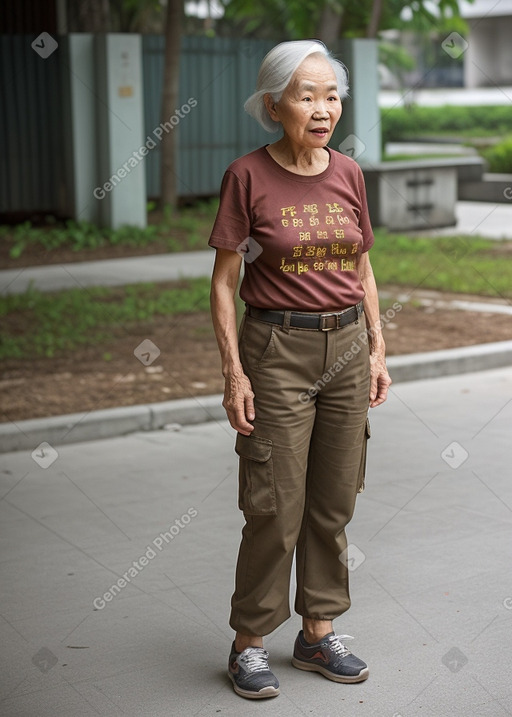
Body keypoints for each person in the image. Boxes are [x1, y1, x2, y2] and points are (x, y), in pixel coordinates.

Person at [209, 39, 391, 700]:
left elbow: (362, 267)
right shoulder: (247, 177)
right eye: (306, 95)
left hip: (344, 347)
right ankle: (249, 641)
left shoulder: (347, 173)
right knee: (273, 504)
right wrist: (235, 372)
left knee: (334, 499)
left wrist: (376, 347)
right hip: (276, 348)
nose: (322, 108)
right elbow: (226, 282)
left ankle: (317, 631)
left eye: (331, 95)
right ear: (273, 103)